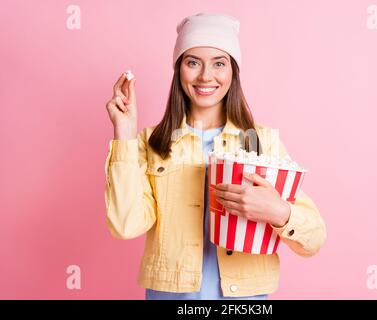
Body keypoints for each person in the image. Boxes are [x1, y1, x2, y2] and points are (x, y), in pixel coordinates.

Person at [104, 12, 327, 300]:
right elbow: (125, 225)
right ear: (179, 69)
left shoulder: (262, 143)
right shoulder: (150, 142)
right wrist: (124, 132)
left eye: (219, 63)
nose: (205, 76)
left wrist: (279, 212)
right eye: (193, 62)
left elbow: (314, 240)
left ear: (233, 71)